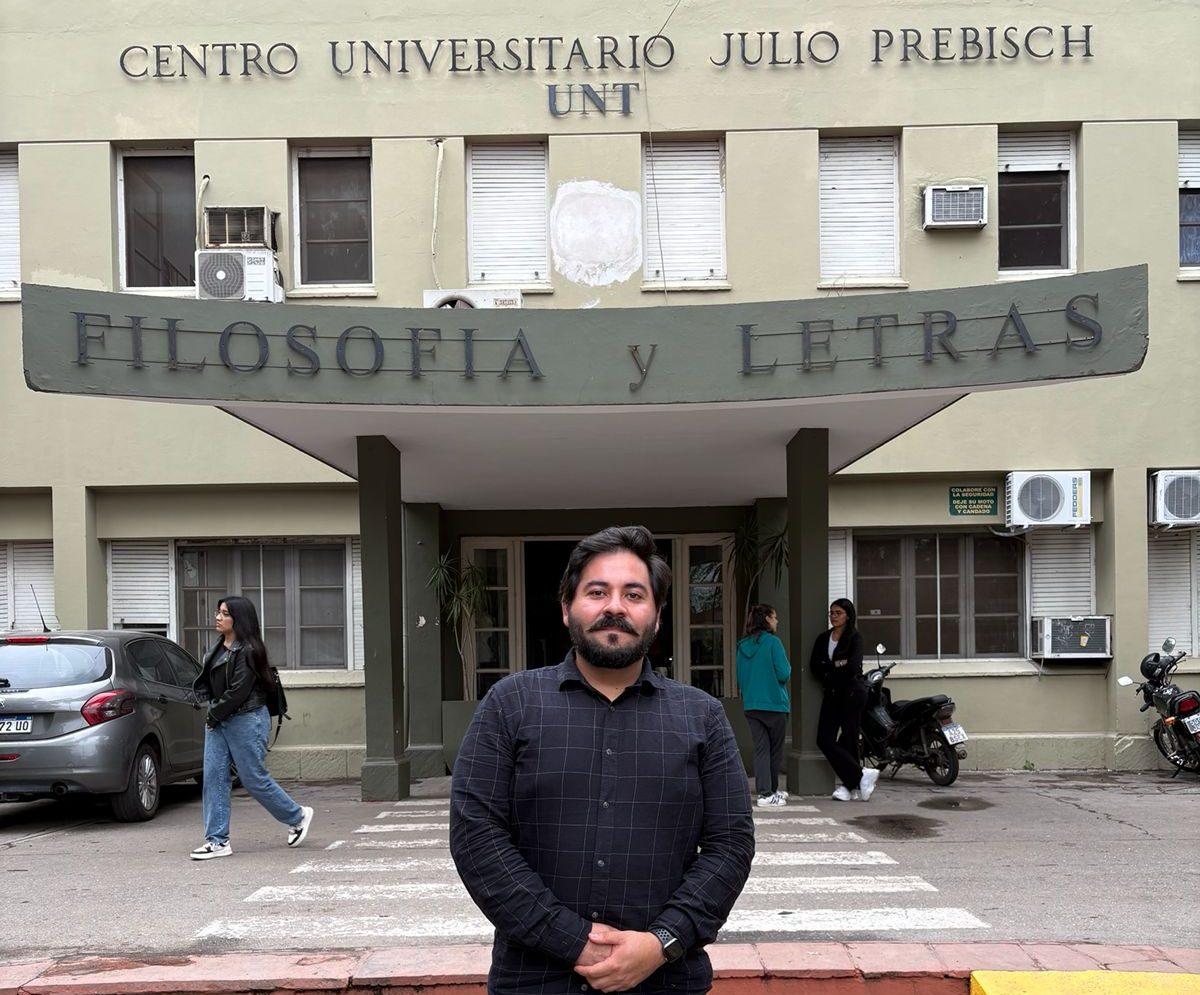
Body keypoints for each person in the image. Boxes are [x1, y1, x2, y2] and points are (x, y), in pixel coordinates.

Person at [450, 526, 755, 995]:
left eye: (634, 594)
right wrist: (572, 943)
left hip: (667, 979)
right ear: (567, 607)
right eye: (597, 591)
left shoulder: (703, 718)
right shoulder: (510, 705)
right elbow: (477, 838)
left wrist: (661, 942)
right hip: (535, 979)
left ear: (656, 617)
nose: (615, 606)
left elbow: (729, 846)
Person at [190, 595, 314, 859]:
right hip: (220, 719)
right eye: (218, 612)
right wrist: (211, 710)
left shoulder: (249, 650)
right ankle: (217, 840)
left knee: (253, 778)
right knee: (213, 778)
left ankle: (298, 815)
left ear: (239, 619)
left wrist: (214, 715)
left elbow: (238, 691)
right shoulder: (220, 647)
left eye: (224, 613)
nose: (217, 617)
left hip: (246, 719)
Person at [810, 598, 879, 803]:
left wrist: (831, 668)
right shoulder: (823, 638)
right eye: (831, 612)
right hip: (831, 693)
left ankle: (850, 786)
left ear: (848, 615)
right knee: (824, 739)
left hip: (852, 694)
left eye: (838, 612)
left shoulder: (855, 637)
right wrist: (836, 666)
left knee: (849, 738)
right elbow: (815, 666)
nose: (833, 616)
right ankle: (861, 775)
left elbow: (853, 668)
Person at [736, 603, 791, 807]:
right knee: (775, 750)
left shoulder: (742, 646)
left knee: (761, 750)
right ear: (767, 619)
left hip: (752, 704)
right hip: (775, 704)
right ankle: (770, 792)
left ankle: (765, 793)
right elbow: (784, 673)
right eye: (775, 617)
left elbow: (740, 678)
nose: (777, 621)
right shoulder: (773, 643)